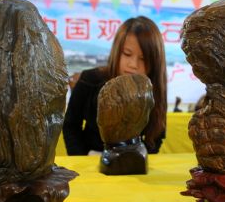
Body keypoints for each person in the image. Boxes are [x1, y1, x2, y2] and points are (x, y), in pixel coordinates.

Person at [63, 16, 167, 155]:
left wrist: (143, 159)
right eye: (127, 54)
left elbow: (156, 135)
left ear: (154, 62)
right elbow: (71, 126)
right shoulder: (90, 80)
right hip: (90, 160)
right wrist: (82, 158)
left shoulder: (154, 89)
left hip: (133, 164)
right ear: (117, 51)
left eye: (143, 59)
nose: (133, 65)